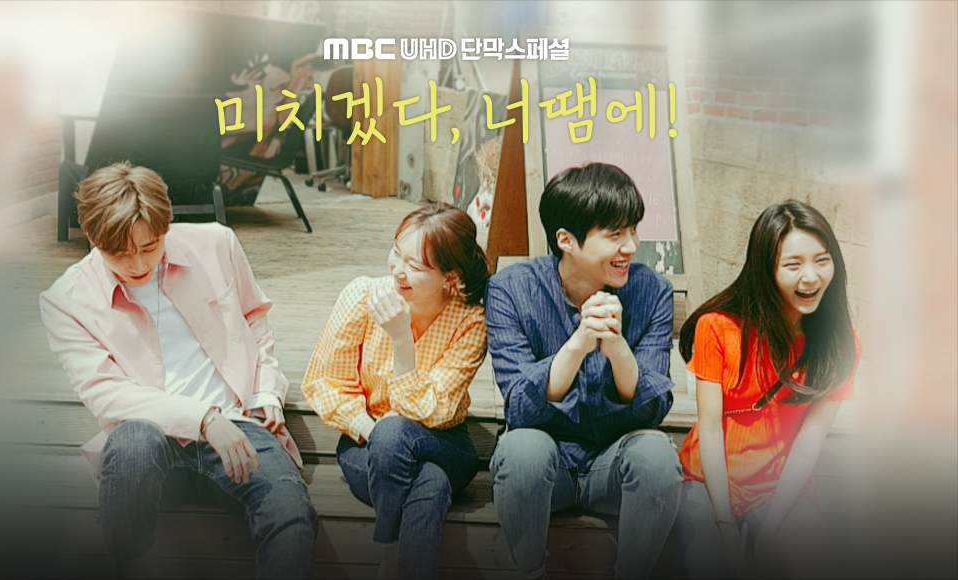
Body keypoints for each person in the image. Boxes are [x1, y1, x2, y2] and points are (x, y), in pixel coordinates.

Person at [39, 162, 316, 579]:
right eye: (119, 253)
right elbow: (106, 395)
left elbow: (254, 317)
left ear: (165, 227)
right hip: (152, 443)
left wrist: (266, 391)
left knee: (291, 513)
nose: (137, 263)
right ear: (93, 239)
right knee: (132, 443)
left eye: (150, 246)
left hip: (239, 424)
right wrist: (204, 419)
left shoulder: (217, 244)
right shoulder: (65, 300)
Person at [485, 163, 683, 580]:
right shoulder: (511, 290)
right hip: (545, 471)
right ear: (566, 240)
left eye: (633, 230)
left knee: (657, 455)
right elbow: (519, 407)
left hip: (613, 468)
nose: (630, 246)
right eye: (615, 234)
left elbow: (653, 409)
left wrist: (617, 349)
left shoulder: (652, 292)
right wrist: (578, 343)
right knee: (522, 450)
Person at [673, 200, 861, 579]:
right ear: (765, 269)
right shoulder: (717, 329)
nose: (811, 277)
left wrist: (771, 530)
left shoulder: (841, 345)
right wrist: (724, 523)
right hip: (706, 482)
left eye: (822, 261)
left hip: (780, 488)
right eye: (793, 265)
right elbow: (710, 430)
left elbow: (808, 443)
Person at [301, 203, 489, 579]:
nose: (397, 270)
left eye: (414, 266)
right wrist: (375, 430)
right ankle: (395, 561)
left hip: (444, 442)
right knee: (429, 481)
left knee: (398, 434)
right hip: (367, 443)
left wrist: (402, 340)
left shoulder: (469, 320)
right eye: (396, 252)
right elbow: (324, 384)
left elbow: (436, 410)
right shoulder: (363, 296)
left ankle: (385, 549)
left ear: (449, 277)